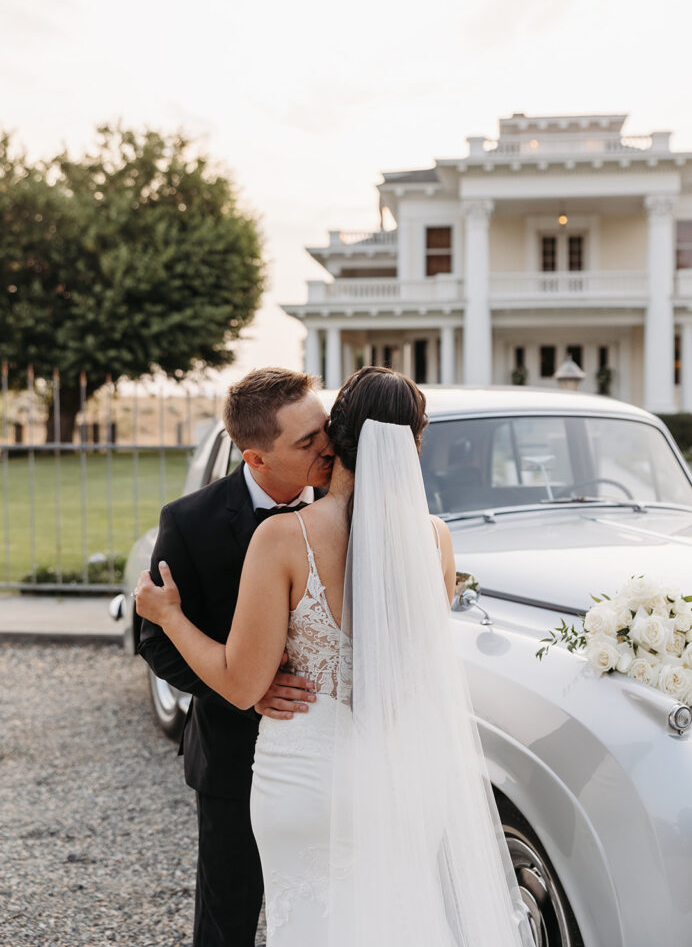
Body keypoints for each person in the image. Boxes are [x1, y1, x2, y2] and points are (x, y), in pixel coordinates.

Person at [136, 367, 535, 946]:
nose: (318, 445)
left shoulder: (281, 536)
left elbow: (242, 684)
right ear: (411, 446)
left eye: (322, 433)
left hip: (303, 777)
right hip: (395, 779)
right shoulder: (435, 538)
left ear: (341, 433)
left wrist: (169, 615)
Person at [136, 366, 334, 947]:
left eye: (324, 430)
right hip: (231, 756)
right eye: (307, 442)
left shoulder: (344, 505)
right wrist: (243, 686)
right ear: (256, 459)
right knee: (228, 912)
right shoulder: (189, 521)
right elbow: (156, 640)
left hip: (327, 753)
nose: (327, 447)